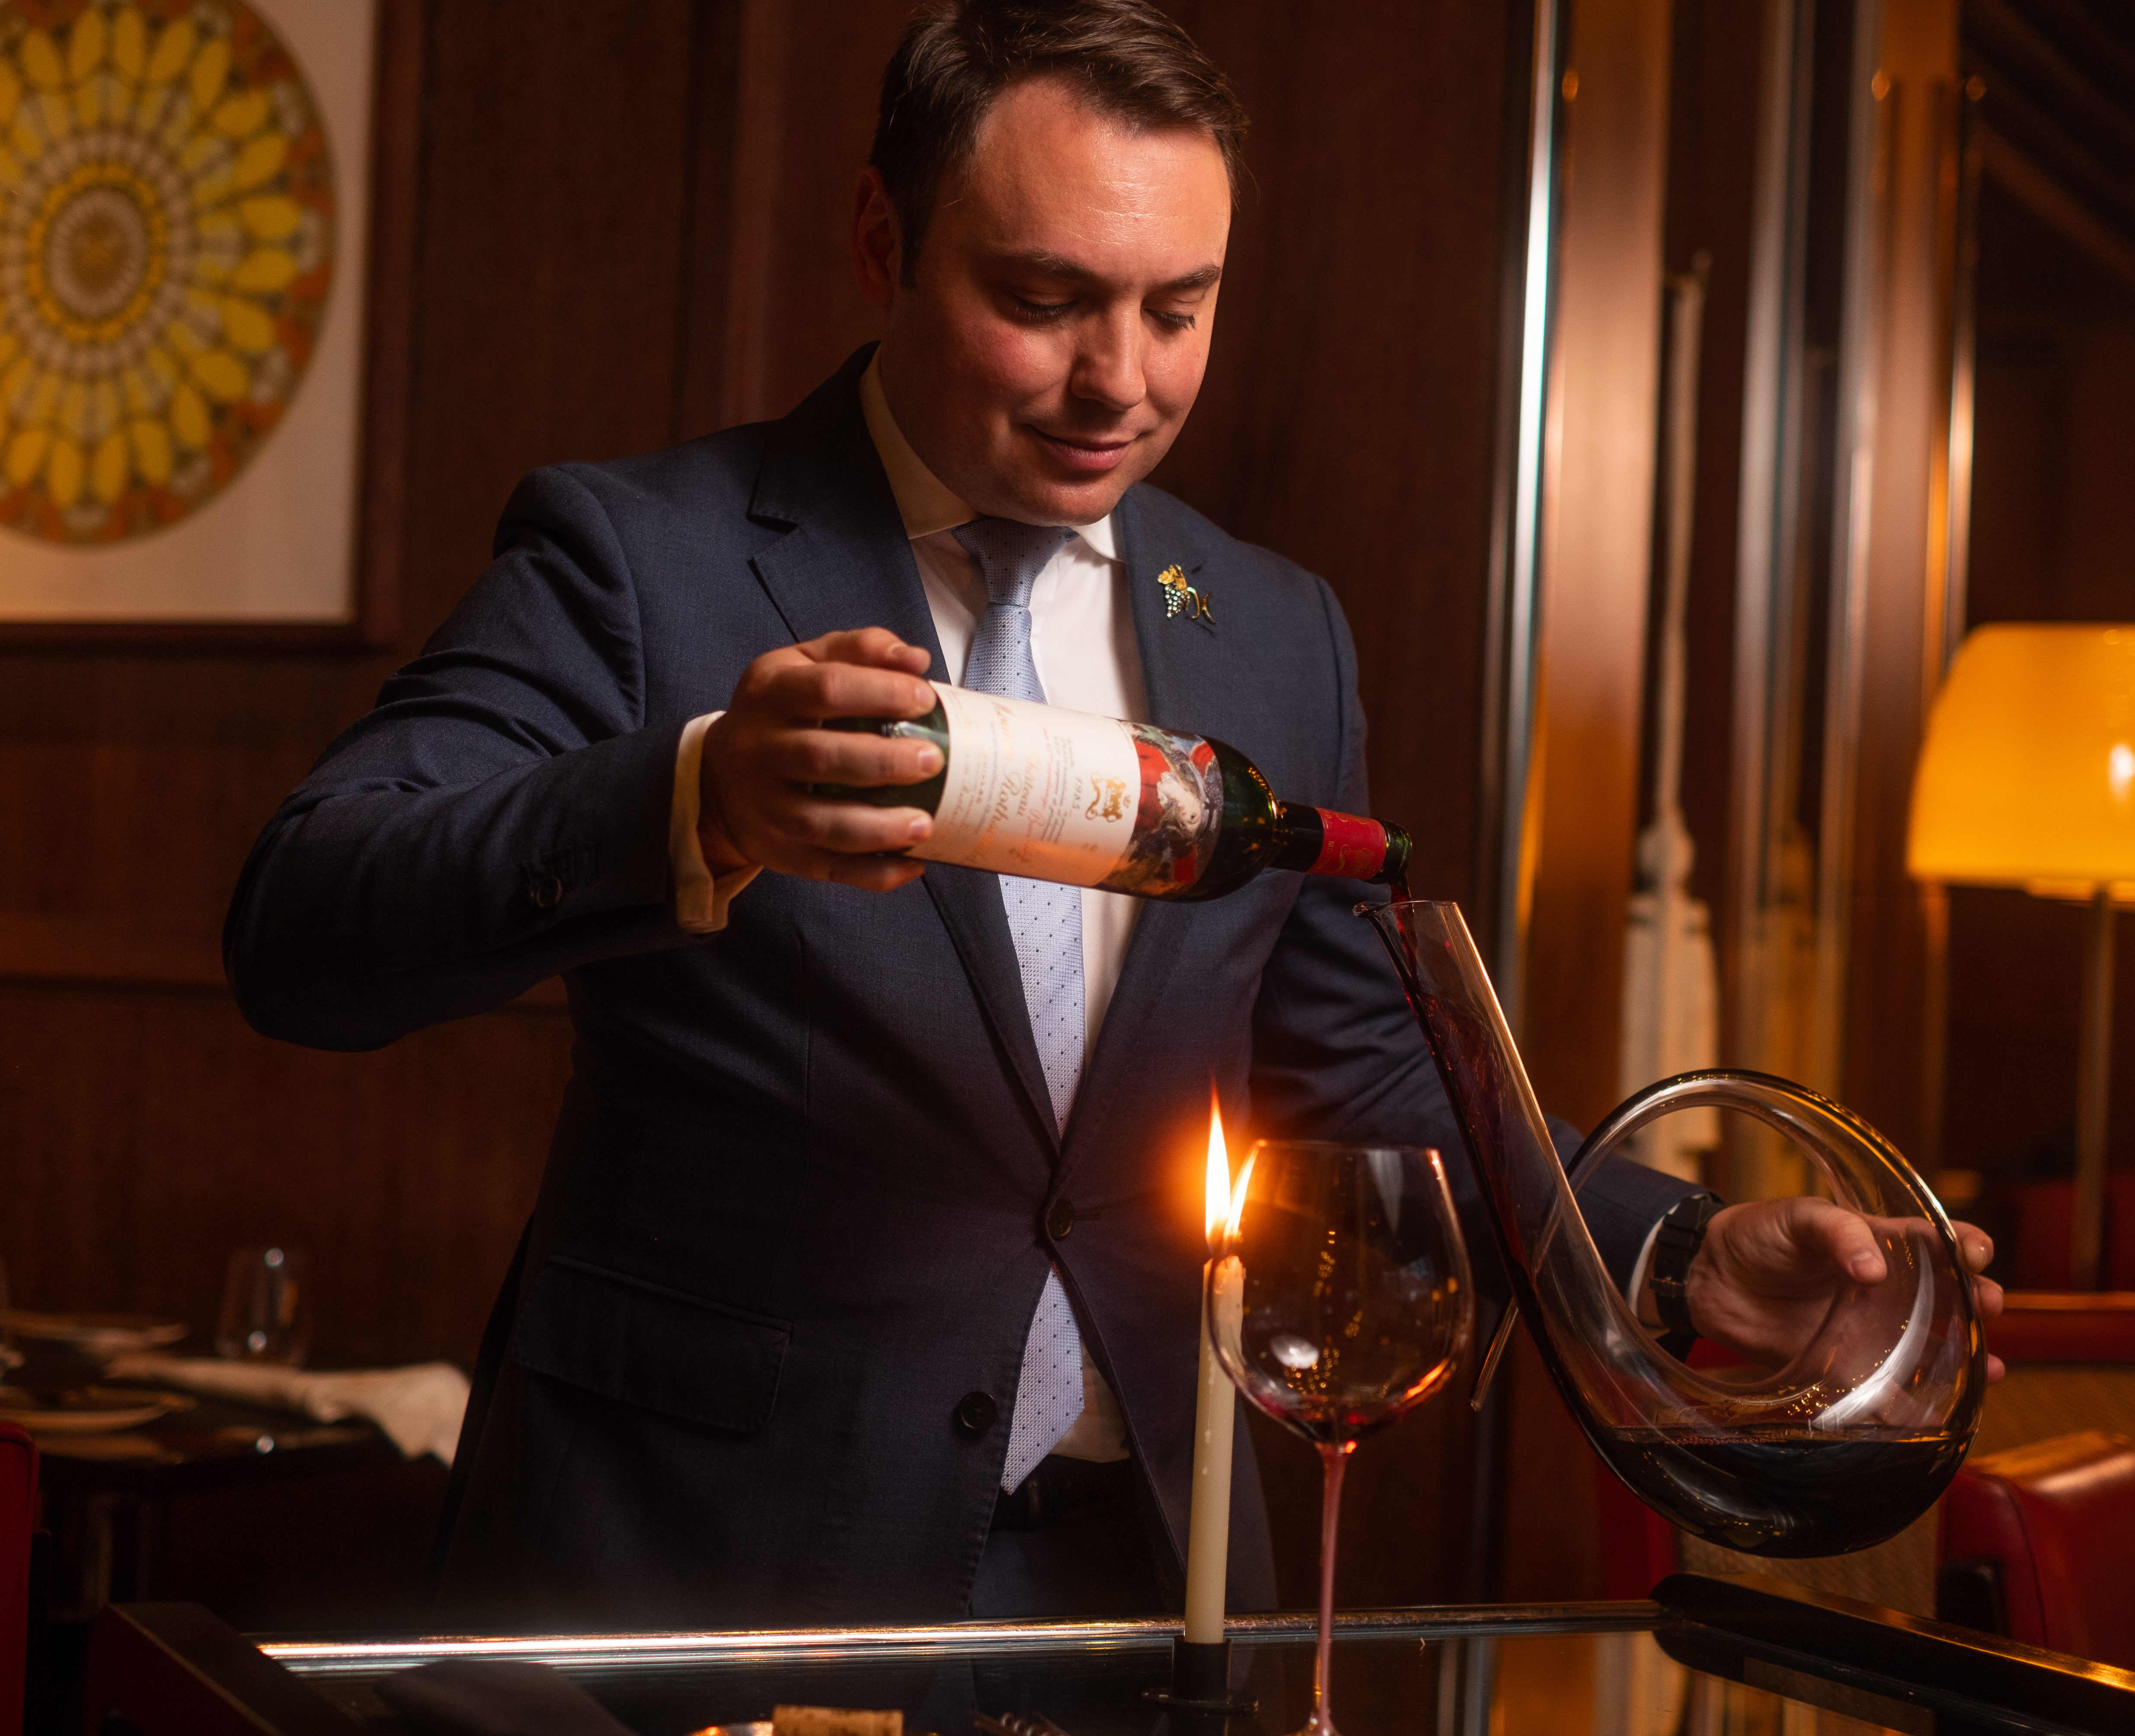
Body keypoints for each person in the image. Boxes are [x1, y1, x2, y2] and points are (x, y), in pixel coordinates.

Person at [225, 0, 2001, 1629]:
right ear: (880, 244)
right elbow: (304, 918)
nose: (1123, 381)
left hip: (1141, 1568)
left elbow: (1368, 1076)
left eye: (1180, 306)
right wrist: (698, 792)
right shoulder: (639, 556)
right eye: (1048, 298)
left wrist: (1678, 1251)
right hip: (704, 1560)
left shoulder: (1279, 628)